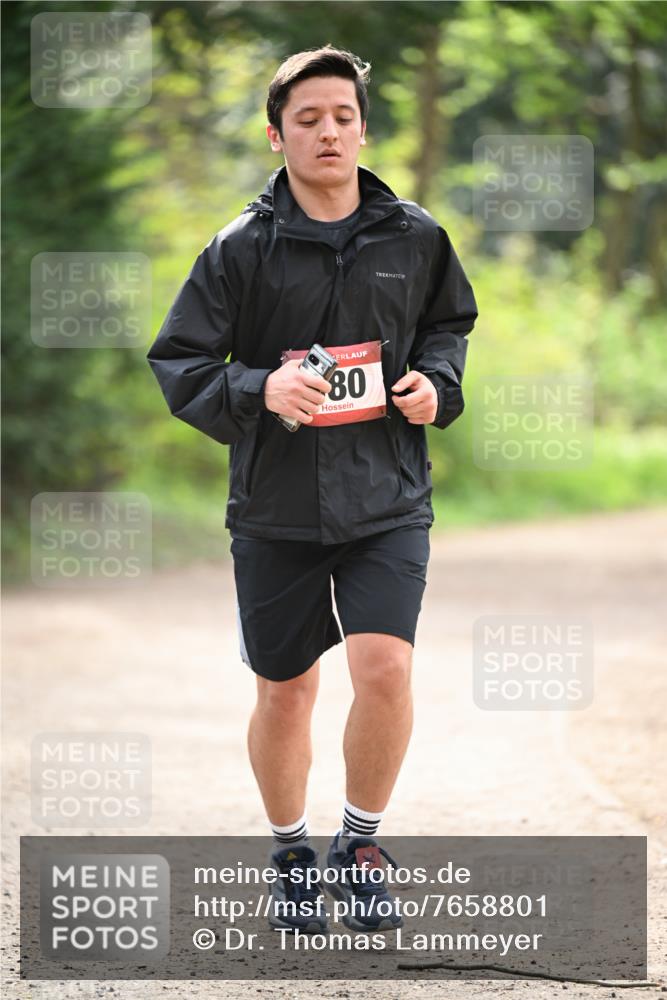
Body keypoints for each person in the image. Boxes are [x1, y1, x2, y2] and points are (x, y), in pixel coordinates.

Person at [147, 44, 478, 934]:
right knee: (286, 689)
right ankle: (292, 852)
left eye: (341, 116)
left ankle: (360, 847)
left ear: (363, 128)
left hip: (386, 496)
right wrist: (257, 388)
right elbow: (178, 361)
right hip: (275, 505)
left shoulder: (415, 235)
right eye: (307, 119)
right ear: (275, 135)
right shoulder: (239, 248)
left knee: (385, 666)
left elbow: (448, 326)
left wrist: (434, 387)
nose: (327, 131)